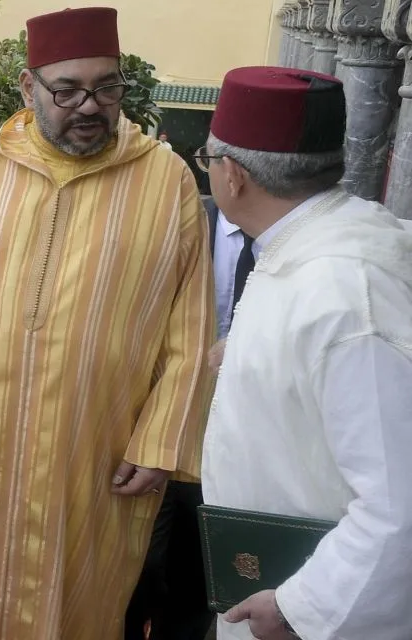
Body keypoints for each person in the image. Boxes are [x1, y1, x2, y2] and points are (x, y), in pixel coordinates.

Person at [0, 7, 214, 640]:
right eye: (68, 90)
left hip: (101, 458)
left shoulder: (167, 182)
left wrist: (162, 440)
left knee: (84, 608)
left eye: (107, 88)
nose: (90, 105)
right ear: (28, 88)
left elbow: (191, 328)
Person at [201, 67, 412, 640]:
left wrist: (304, 607)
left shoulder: (348, 292)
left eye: (207, 159)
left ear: (233, 175)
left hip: (311, 608)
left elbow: (400, 501)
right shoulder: (311, 245)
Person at [126, 187, 245, 640]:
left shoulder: (292, 250)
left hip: (231, 441)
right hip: (155, 428)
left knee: (200, 575)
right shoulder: (182, 229)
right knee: (141, 564)